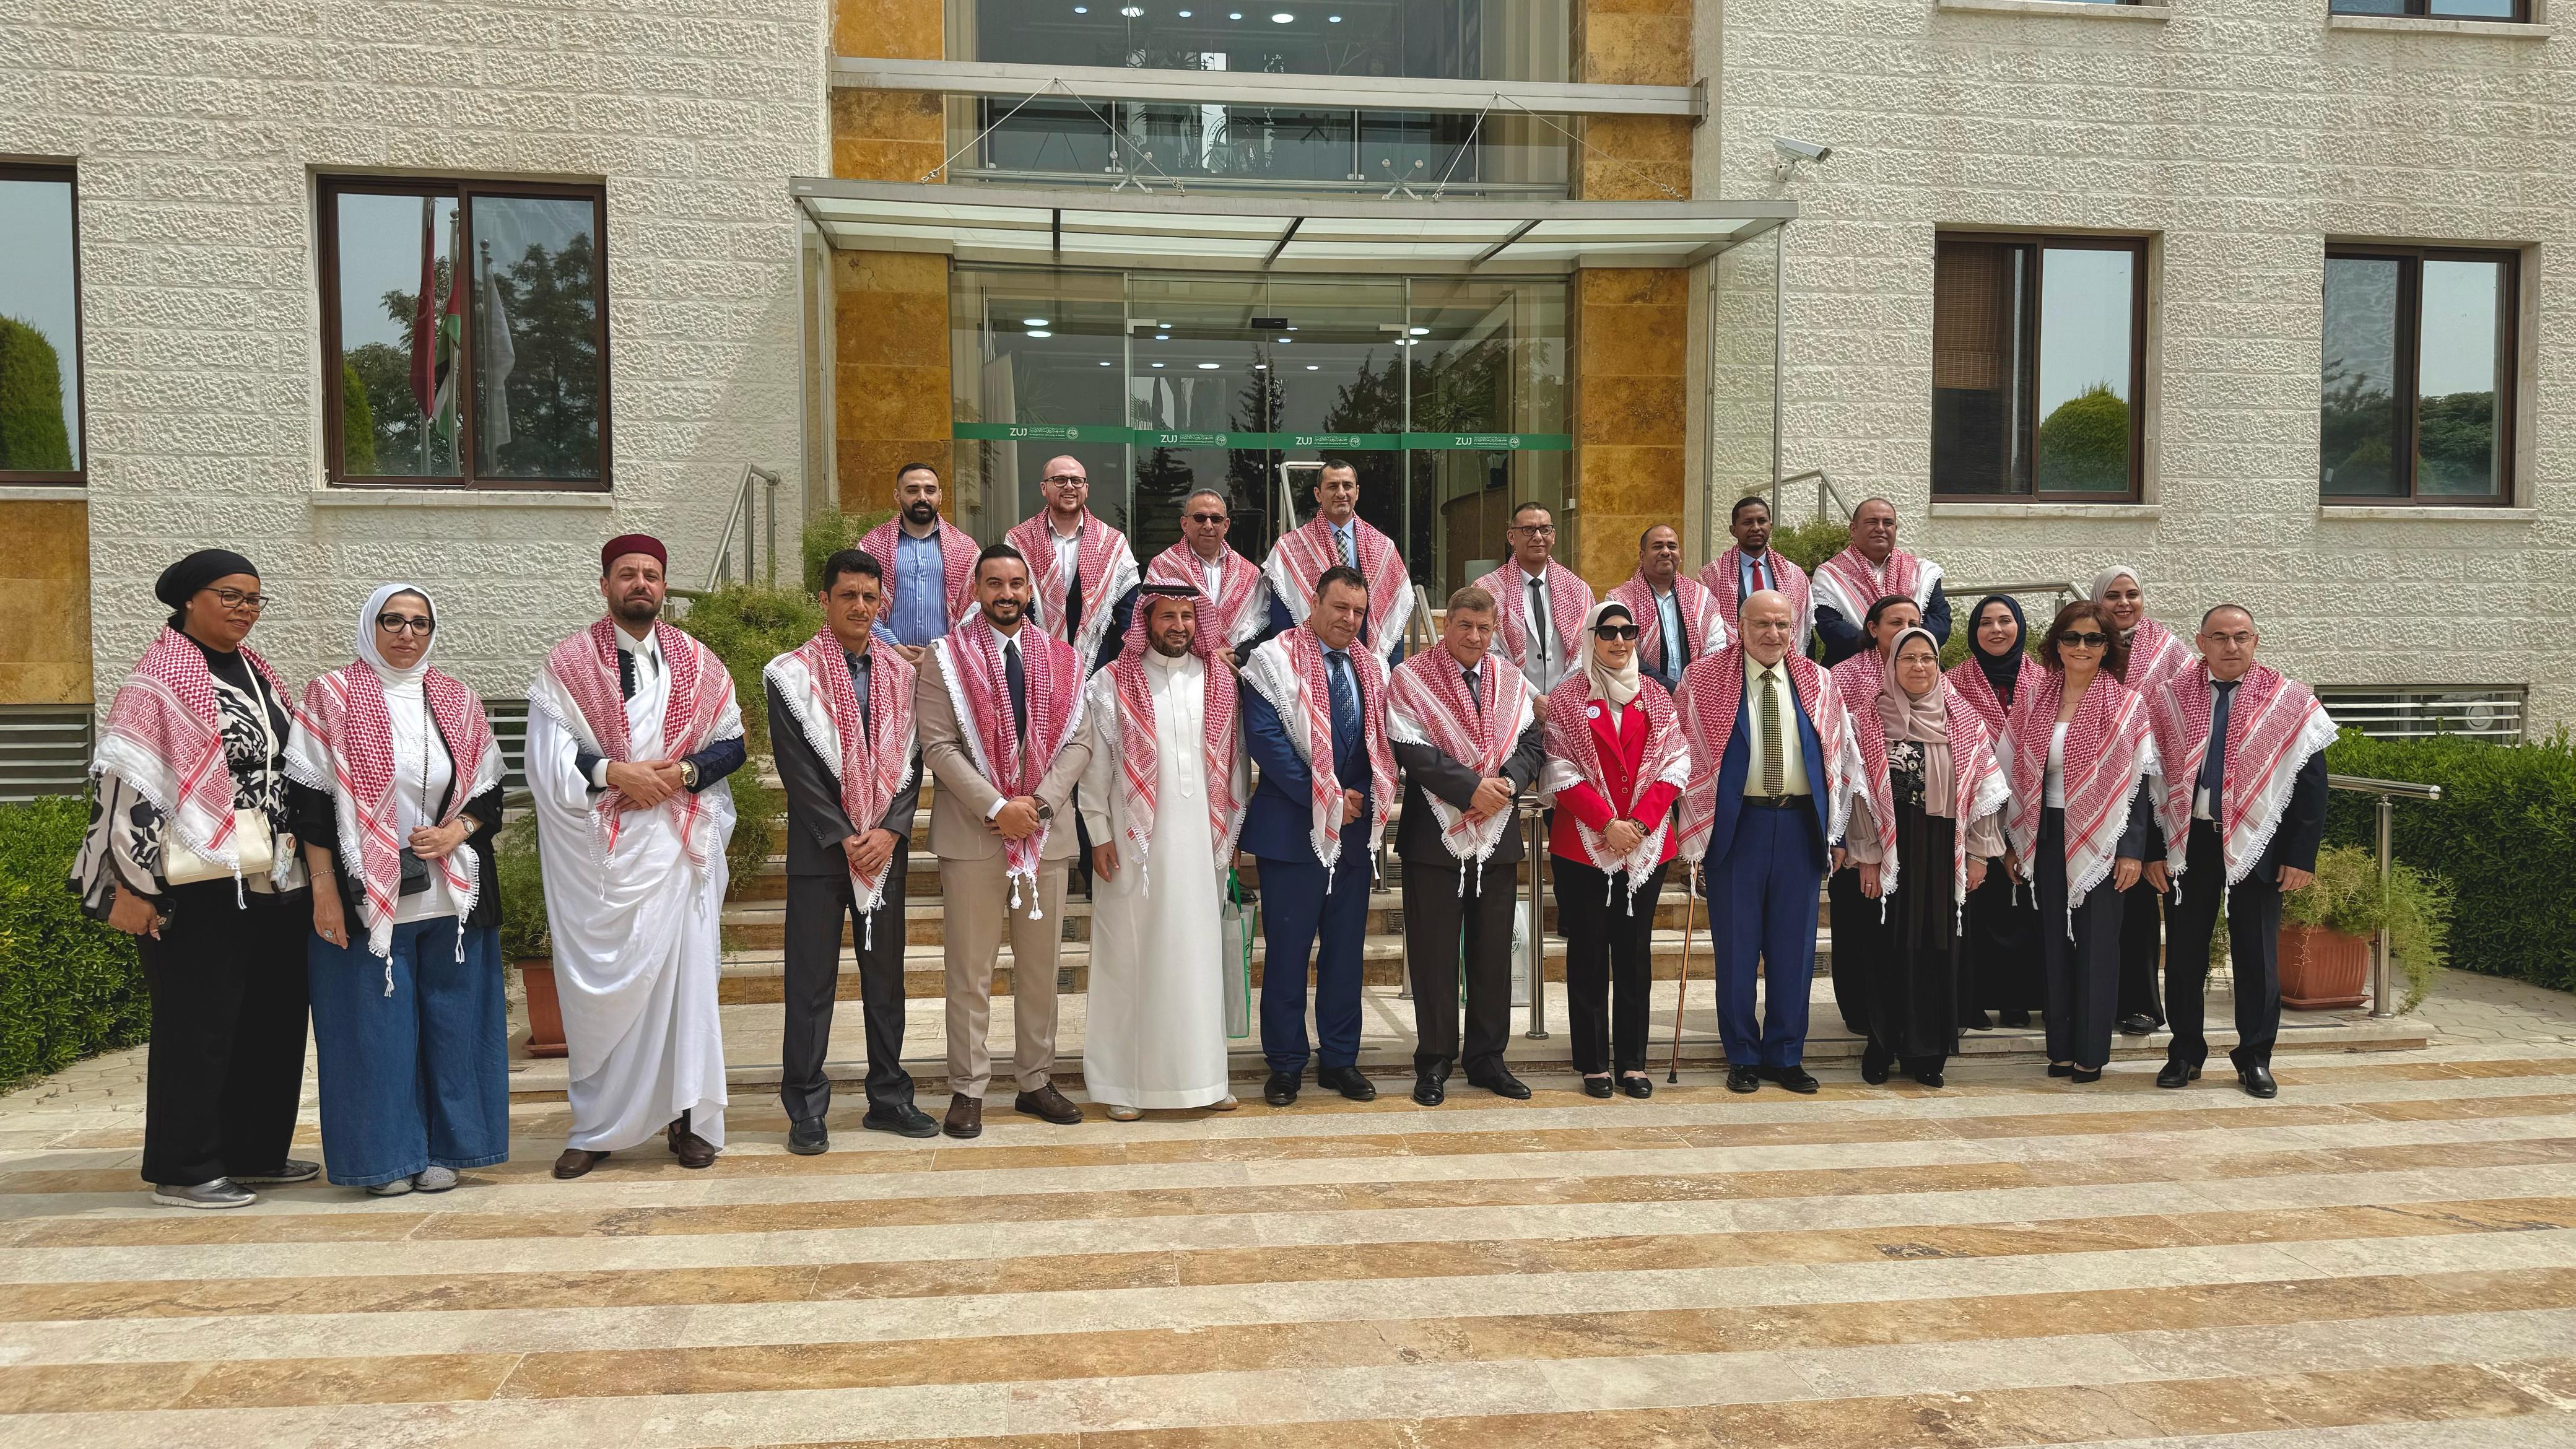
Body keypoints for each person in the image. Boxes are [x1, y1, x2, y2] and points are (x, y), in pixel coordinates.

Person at [77, 549, 317, 1209]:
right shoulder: (157, 683)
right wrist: (132, 886)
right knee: (199, 1025)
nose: (245, 609)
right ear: (189, 600)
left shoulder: (257, 673)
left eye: (254, 598)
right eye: (229, 595)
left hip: (269, 873)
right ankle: (184, 1168)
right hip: (194, 879)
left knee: (270, 1019)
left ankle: (253, 1151)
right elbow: (125, 785)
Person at [528, 536, 747, 1180]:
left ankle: (689, 1119)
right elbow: (546, 757)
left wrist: (682, 773)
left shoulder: (699, 663)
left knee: (685, 989)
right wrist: (614, 773)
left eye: (652, 574)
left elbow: (731, 744)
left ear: (664, 586)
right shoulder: (568, 665)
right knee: (603, 997)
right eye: (627, 574)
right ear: (605, 586)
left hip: (679, 849)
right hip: (601, 859)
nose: (641, 584)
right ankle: (597, 1128)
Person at [285, 583, 510, 1196]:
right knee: (372, 1035)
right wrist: (324, 892)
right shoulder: (331, 695)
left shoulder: (458, 699)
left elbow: (490, 793)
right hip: (364, 897)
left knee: (454, 1031)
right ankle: (383, 1160)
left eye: (419, 622)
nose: (407, 633)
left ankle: (448, 1150)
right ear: (370, 625)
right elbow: (308, 806)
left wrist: (455, 831)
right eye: (392, 620)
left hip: (453, 896)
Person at [916, 544, 1094, 1138]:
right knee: (970, 971)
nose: (1007, 594)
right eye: (995, 583)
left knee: (1042, 970)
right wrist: (997, 807)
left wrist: (1037, 807)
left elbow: (1080, 742)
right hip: (974, 837)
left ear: (1030, 590)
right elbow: (938, 745)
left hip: (1045, 835)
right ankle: (968, 1088)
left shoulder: (1063, 660)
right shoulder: (945, 659)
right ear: (976, 590)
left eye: (1017, 583)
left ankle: (1036, 1081)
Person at [764, 549, 934, 1152]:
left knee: (885, 983)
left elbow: (912, 763)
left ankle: (889, 1098)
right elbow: (797, 770)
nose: (860, 607)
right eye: (848, 596)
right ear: (825, 601)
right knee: (810, 986)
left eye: (869, 597)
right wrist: (842, 836)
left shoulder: (902, 676)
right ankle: (806, 1109)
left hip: (883, 854)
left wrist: (890, 832)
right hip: (820, 854)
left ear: (881, 604)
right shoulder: (790, 675)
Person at [1674, 590, 1865, 1095]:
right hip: (1738, 828)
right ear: (1740, 626)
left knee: (1795, 951)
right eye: (1762, 624)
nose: (1773, 634)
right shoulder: (1703, 680)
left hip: (1800, 827)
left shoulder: (1818, 681)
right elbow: (1682, 751)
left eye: (1782, 624)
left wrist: (1837, 831)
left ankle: (1785, 1054)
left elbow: (1840, 760)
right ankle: (1742, 1054)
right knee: (1737, 950)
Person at [2145, 605, 2335, 1100]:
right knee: (2184, 954)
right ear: (2201, 642)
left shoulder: (2290, 701)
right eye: (2220, 637)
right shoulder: (2168, 699)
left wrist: (2301, 856)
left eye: (2241, 636)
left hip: (2259, 844)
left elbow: (2311, 786)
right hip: (2188, 841)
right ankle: (2185, 1053)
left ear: (2256, 640)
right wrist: (2151, 851)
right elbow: (2149, 779)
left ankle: (2255, 1057)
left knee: (2257, 955)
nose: (2231, 646)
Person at [1077, 583, 1250, 1121]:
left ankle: (1206, 1079)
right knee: (1130, 958)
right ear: (1146, 622)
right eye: (1167, 616)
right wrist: (1098, 833)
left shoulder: (1220, 680)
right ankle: (1123, 1085)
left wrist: (1232, 835)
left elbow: (1236, 763)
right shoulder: (1110, 682)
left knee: (1198, 960)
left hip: (1203, 845)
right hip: (1134, 847)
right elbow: (1094, 767)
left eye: (1187, 616)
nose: (1179, 626)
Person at [1240, 566, 1398, 1107]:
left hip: (1352, 833)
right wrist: (1326, 797)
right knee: (1287, 954)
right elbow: (1266, 741)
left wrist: (1358, 797)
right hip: (1292, 832)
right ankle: (1285, 1064)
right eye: (1340, 608)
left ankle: (1340, 1060)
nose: (1349, 620)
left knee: (1345, 955)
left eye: (1359, 612)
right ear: (1314, 602)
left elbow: (1384, 743)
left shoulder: (1373, 666)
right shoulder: (1272, 661)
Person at [1386, 586, 1544, 1106]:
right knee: (1433, 957)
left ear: (1494, 630)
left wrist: (1506, 785)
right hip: (1433, 841)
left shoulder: (1510, 679)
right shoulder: (1411, 677)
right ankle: (1434, 1063)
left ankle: (1488, 1061)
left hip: (1497, 837)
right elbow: (1409, 748)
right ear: (1447, 624)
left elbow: (1532, 743)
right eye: (1465, 626)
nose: (1474, 637)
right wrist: (1470, 789)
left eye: (1484, 628)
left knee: (1493, 954)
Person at [1838, 628, 2008, 1089]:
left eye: (1927, 658)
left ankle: (1928, 1051)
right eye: (1907, 658)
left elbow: (1985, 790)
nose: (1918, 666)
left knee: (1936, 945)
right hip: (1890, 849)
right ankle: (1881, 1045)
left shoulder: (1963, 720)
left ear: (1938, 664)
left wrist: (1980, 853)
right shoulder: (1868, 719)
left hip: (1943, 849)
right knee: (1884, 945)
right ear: (1891, 665)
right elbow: (1857, 793)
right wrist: (1868, 855)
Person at [2001, 599, 2161, 1084]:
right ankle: (2061, 1049)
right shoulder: (2035, 699)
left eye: (2094, 638)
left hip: (2106, 838)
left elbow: (2139, 785)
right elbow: (2009, 770)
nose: (2082, 647)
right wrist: (2012, 842)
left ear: (2107, 646)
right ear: (2057, 644)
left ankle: (2091, 1052)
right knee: (2054, 943)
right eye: (2072, 637)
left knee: (2097, 945)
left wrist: (2132, 850)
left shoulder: (2128, 704)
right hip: (2045, 832)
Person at [1540, 601, 1689, 1099]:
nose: (1620, 641)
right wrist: (1607, 823)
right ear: (1591, 637)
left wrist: (1640, 824)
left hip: (1645, 845)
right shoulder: (1568, 697)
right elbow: (1558, 768)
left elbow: (1675, 762)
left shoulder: (1657, 695)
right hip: (1583, 846)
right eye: (1608, 632)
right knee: (1587, 952)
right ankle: (1593, 1063)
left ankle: (1632, 1062)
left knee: (1634, 954)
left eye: (1628, 631)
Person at [2089, 564, 2195, 1038]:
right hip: (2092, 791)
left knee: (2135, 906)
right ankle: (2092, 1002)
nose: (2124, 603)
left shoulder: (2170, 652)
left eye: (2132, 594)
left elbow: (2189, 719)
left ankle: (2142, 1004)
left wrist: (2154, 843)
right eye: (2113, 595)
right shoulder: (2087, 643)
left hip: (2153, 796)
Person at [1823, 593, 1925, 1037]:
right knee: (1858, 919)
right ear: (1873, 629)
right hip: (1855, 817)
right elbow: (1833, 756)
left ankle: (1900, 1008)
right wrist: (1848, 837)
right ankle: (1860, 1009)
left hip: (1914, 821)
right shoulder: (1842, 677)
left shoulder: (1927, 675)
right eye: (1895, 621)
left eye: (1914, 622)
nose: (1906, 629)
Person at [1947, 594, 2046, 1030]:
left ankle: (2019, 999)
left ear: (2019, 627)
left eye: (2005, 620)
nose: (1996, 630)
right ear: (1974, 632)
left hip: (2033, 807)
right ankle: (1974, 999)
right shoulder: (1952, 683)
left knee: (2026, 907)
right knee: (1978, 906)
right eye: (1985, 622)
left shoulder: (2046, 683)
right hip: (1974, 810)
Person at [1261, 461, 1414, 664]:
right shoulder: (1290, 548)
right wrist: (1291, 665)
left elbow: (1393, 617)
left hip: (1370, 664)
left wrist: (1390, 671)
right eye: (1333, 486)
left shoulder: (1383, 547)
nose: (1341, 493)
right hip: (1309, 662)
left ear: (1357, 492)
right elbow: (1283, 623)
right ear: (1318, 494)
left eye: (1347, 486)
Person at [1005, 455, 1141, 673]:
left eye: (1077, 481)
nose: (1069, 486)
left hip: (1097, 666)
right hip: (1033, 661)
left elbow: (1128, 615)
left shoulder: (1112, 542)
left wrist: (1120, 669)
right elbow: (1009, 603)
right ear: (1044, 488)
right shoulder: (1020, 540)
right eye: (1060, 480)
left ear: (1086, 489)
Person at [859, 461, 979, 665]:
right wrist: (895, 649)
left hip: (949, 662)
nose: (922, 497)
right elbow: (859, 604)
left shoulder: (965, 548)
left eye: (930, 491)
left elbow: (974, 611)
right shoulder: (872, 545)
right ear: (897, 495)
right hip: (885, 660)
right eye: (912, 490)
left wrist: (941, 651)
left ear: (940, 496)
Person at [1809, 497, 1951, 668]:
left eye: (1888, 523)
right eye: (1872, 522)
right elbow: (1830, 626)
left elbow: (1940, 619)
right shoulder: (1830, 574)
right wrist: (1883, 647)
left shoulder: (1923, 572)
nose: (1881, 528)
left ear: (1895, 529)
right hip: (1852, 668)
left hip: (1917, 665)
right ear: (1853, 529)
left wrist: (1909, 647)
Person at [1474, 502, 1592, 699]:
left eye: (1545, 529)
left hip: (1568, 700)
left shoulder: (1578, 590)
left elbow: (1585, 650)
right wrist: (1533, 697)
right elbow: (1488, 652)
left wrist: (1561, 698)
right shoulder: (1488, 590)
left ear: (1553, 536)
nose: (1538, 537)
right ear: (1512, 537)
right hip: (1509, 700)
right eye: (1528, 530)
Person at [1142, 487, 1270, 669]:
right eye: (1200, 518)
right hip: (1178, 670)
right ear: (1184, 524)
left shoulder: (1248, 572)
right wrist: (1205, 656)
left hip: (1235, 671)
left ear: (1226, 525)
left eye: (1216, 519)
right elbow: (1152, 625)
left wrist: (1237, 657)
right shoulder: (1163, 566)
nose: (1208, 526)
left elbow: (1263, 630)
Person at [1611, 524, 1728, 694]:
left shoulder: (1702, 596)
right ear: (1642, 556)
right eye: (1658, 546)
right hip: (1641, 694)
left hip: (1698, 694)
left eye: (1672, 547)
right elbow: (1624, 655)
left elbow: (1716, 649)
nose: (1666, 552)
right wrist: (1672, 689)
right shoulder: (1619, 599)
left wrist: (1695, 688)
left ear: (1680, 555)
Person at [1699, 495, 1812, 653]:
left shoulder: (1793, 575)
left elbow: (1803, 631)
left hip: (1782, 659)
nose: (1756, 528)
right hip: (1731, 660)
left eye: (1762, 521)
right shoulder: (1712, 576)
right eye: (1748, 523)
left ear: (1770, 526)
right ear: (1734, 530)